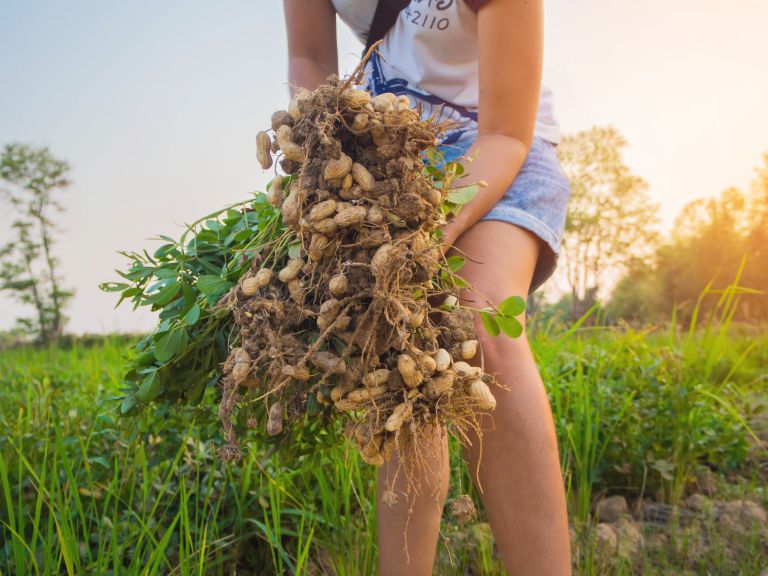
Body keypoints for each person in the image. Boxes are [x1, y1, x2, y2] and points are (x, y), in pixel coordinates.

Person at [283, 1, 573, 574]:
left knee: (477, 323)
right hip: (387, 153)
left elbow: (505, 134)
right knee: (400, 356)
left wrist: (428, 224)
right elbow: (308, 55)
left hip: (491, 146)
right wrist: (320, 147)